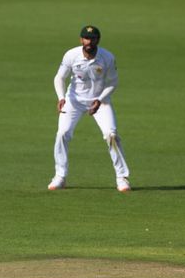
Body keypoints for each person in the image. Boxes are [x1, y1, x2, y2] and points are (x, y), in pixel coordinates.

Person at [48, 25, 130, 192]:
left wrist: (99, 99)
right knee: (62, 133)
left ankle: (122, 177)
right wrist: (61, 97)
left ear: (97, 40)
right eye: (86, 38)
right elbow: (59, 78)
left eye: (92, 39)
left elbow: (113, 83)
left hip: (100, 101)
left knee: (111, 135)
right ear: (81, 40)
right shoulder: (71, 55)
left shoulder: (107, 57)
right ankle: (60, 176)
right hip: (74, 101)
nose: (89, 42)